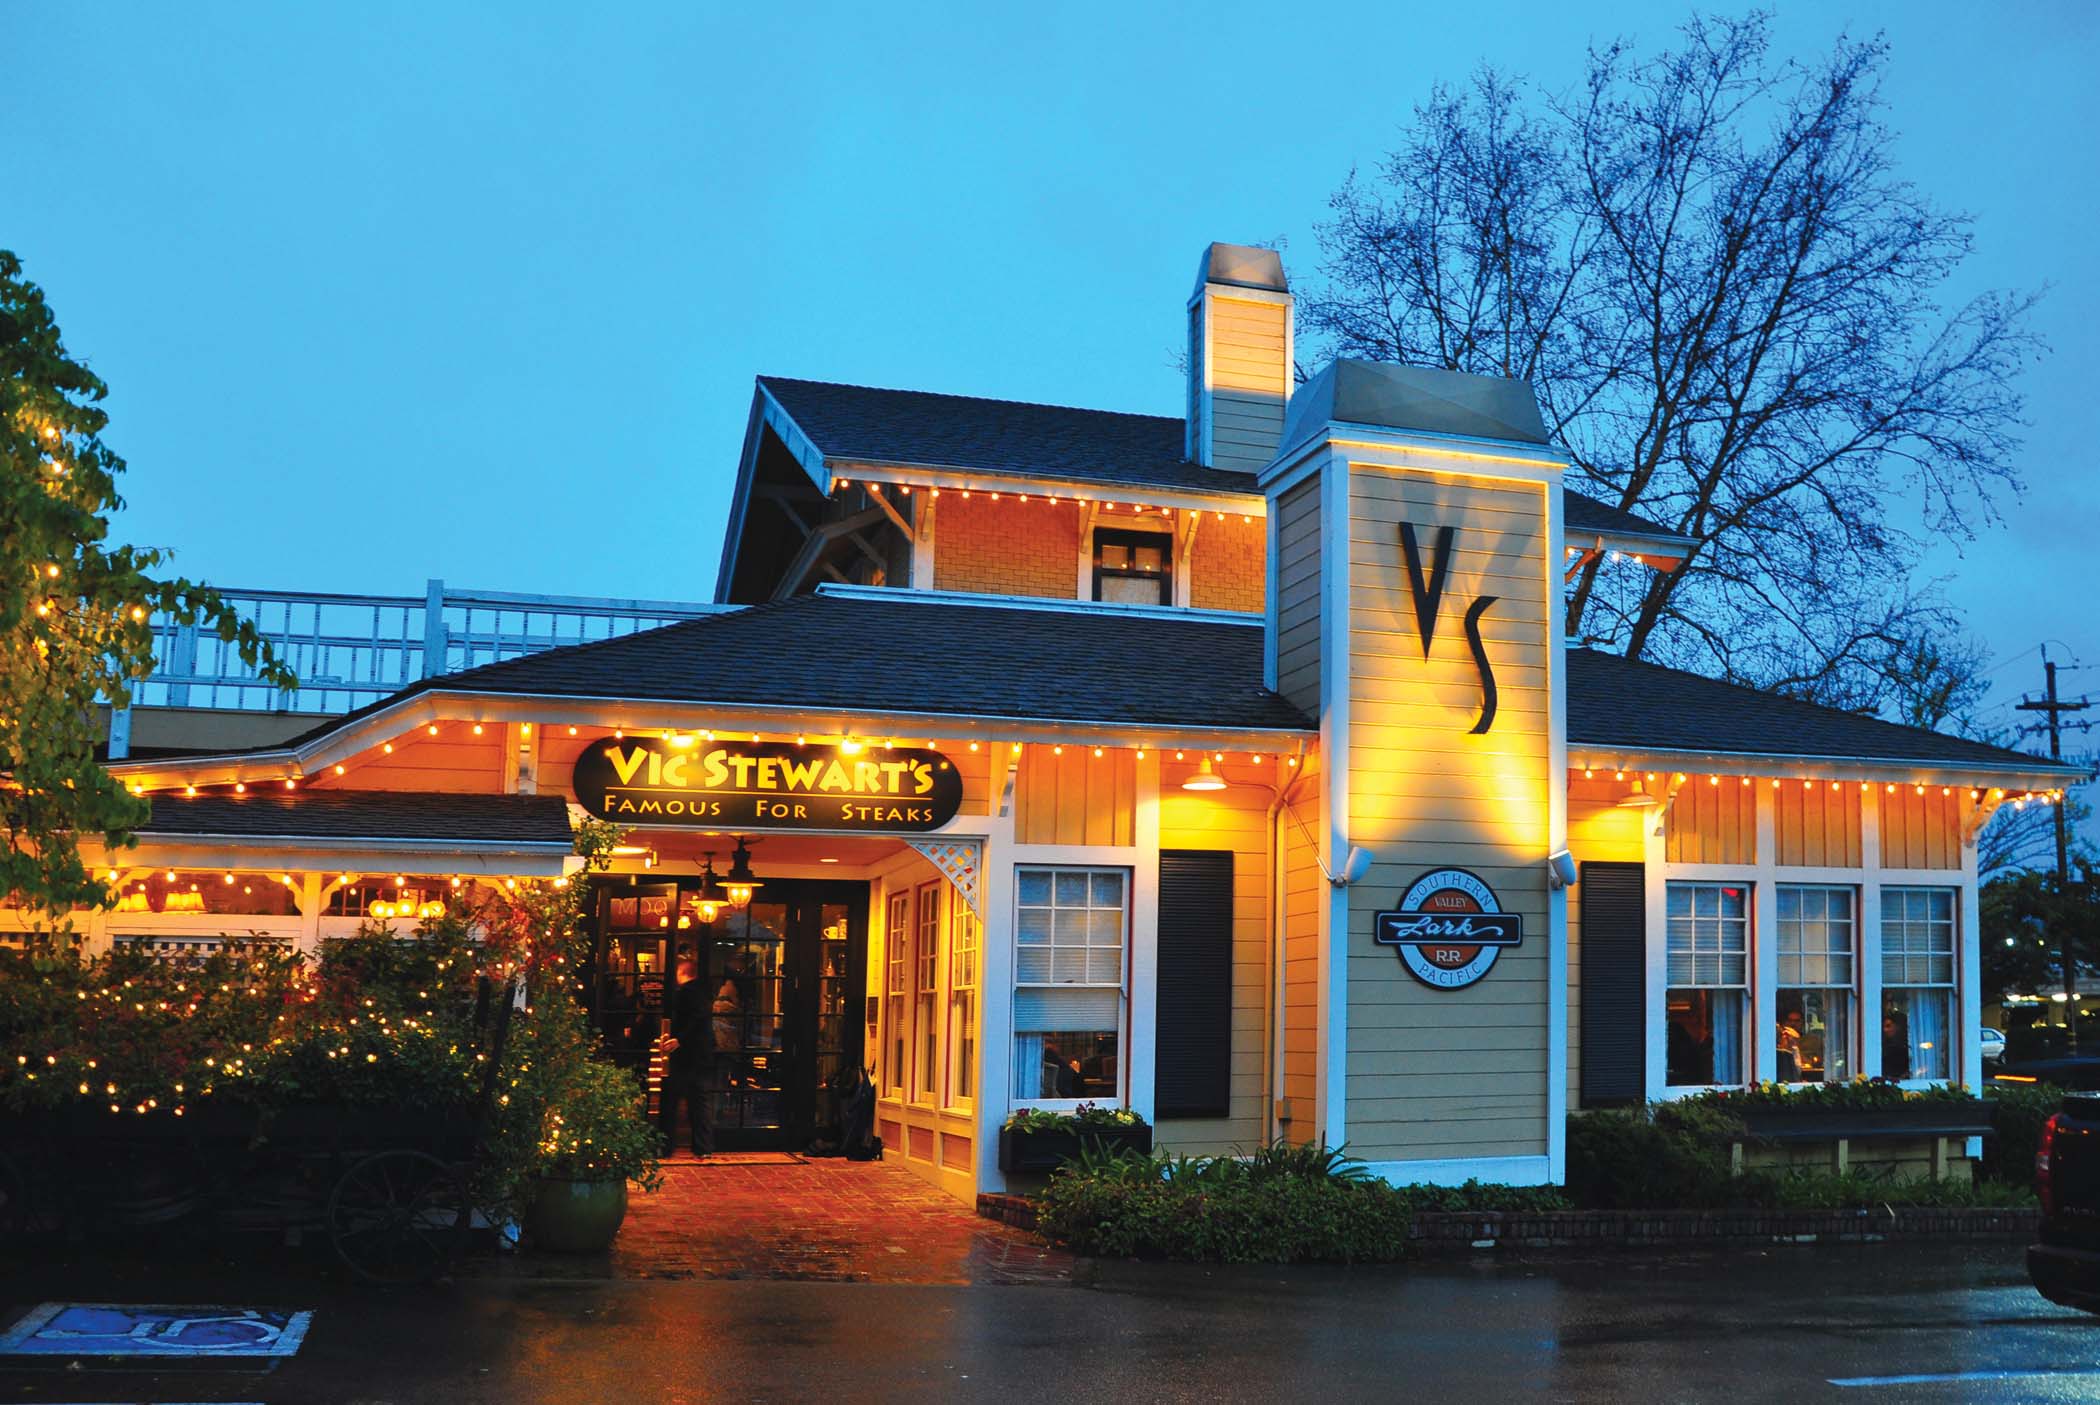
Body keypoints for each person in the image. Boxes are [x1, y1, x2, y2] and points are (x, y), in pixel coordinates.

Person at [658, 947, 714, 1156]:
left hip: (688, 1057)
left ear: (682, 973)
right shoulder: (703, 992)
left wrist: (678, 1040)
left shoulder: (688, 993)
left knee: (672, 1100)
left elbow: (695, 1020)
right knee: (700, 1102)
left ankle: (665, 1145)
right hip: (702, 1056)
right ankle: (703, 1147)